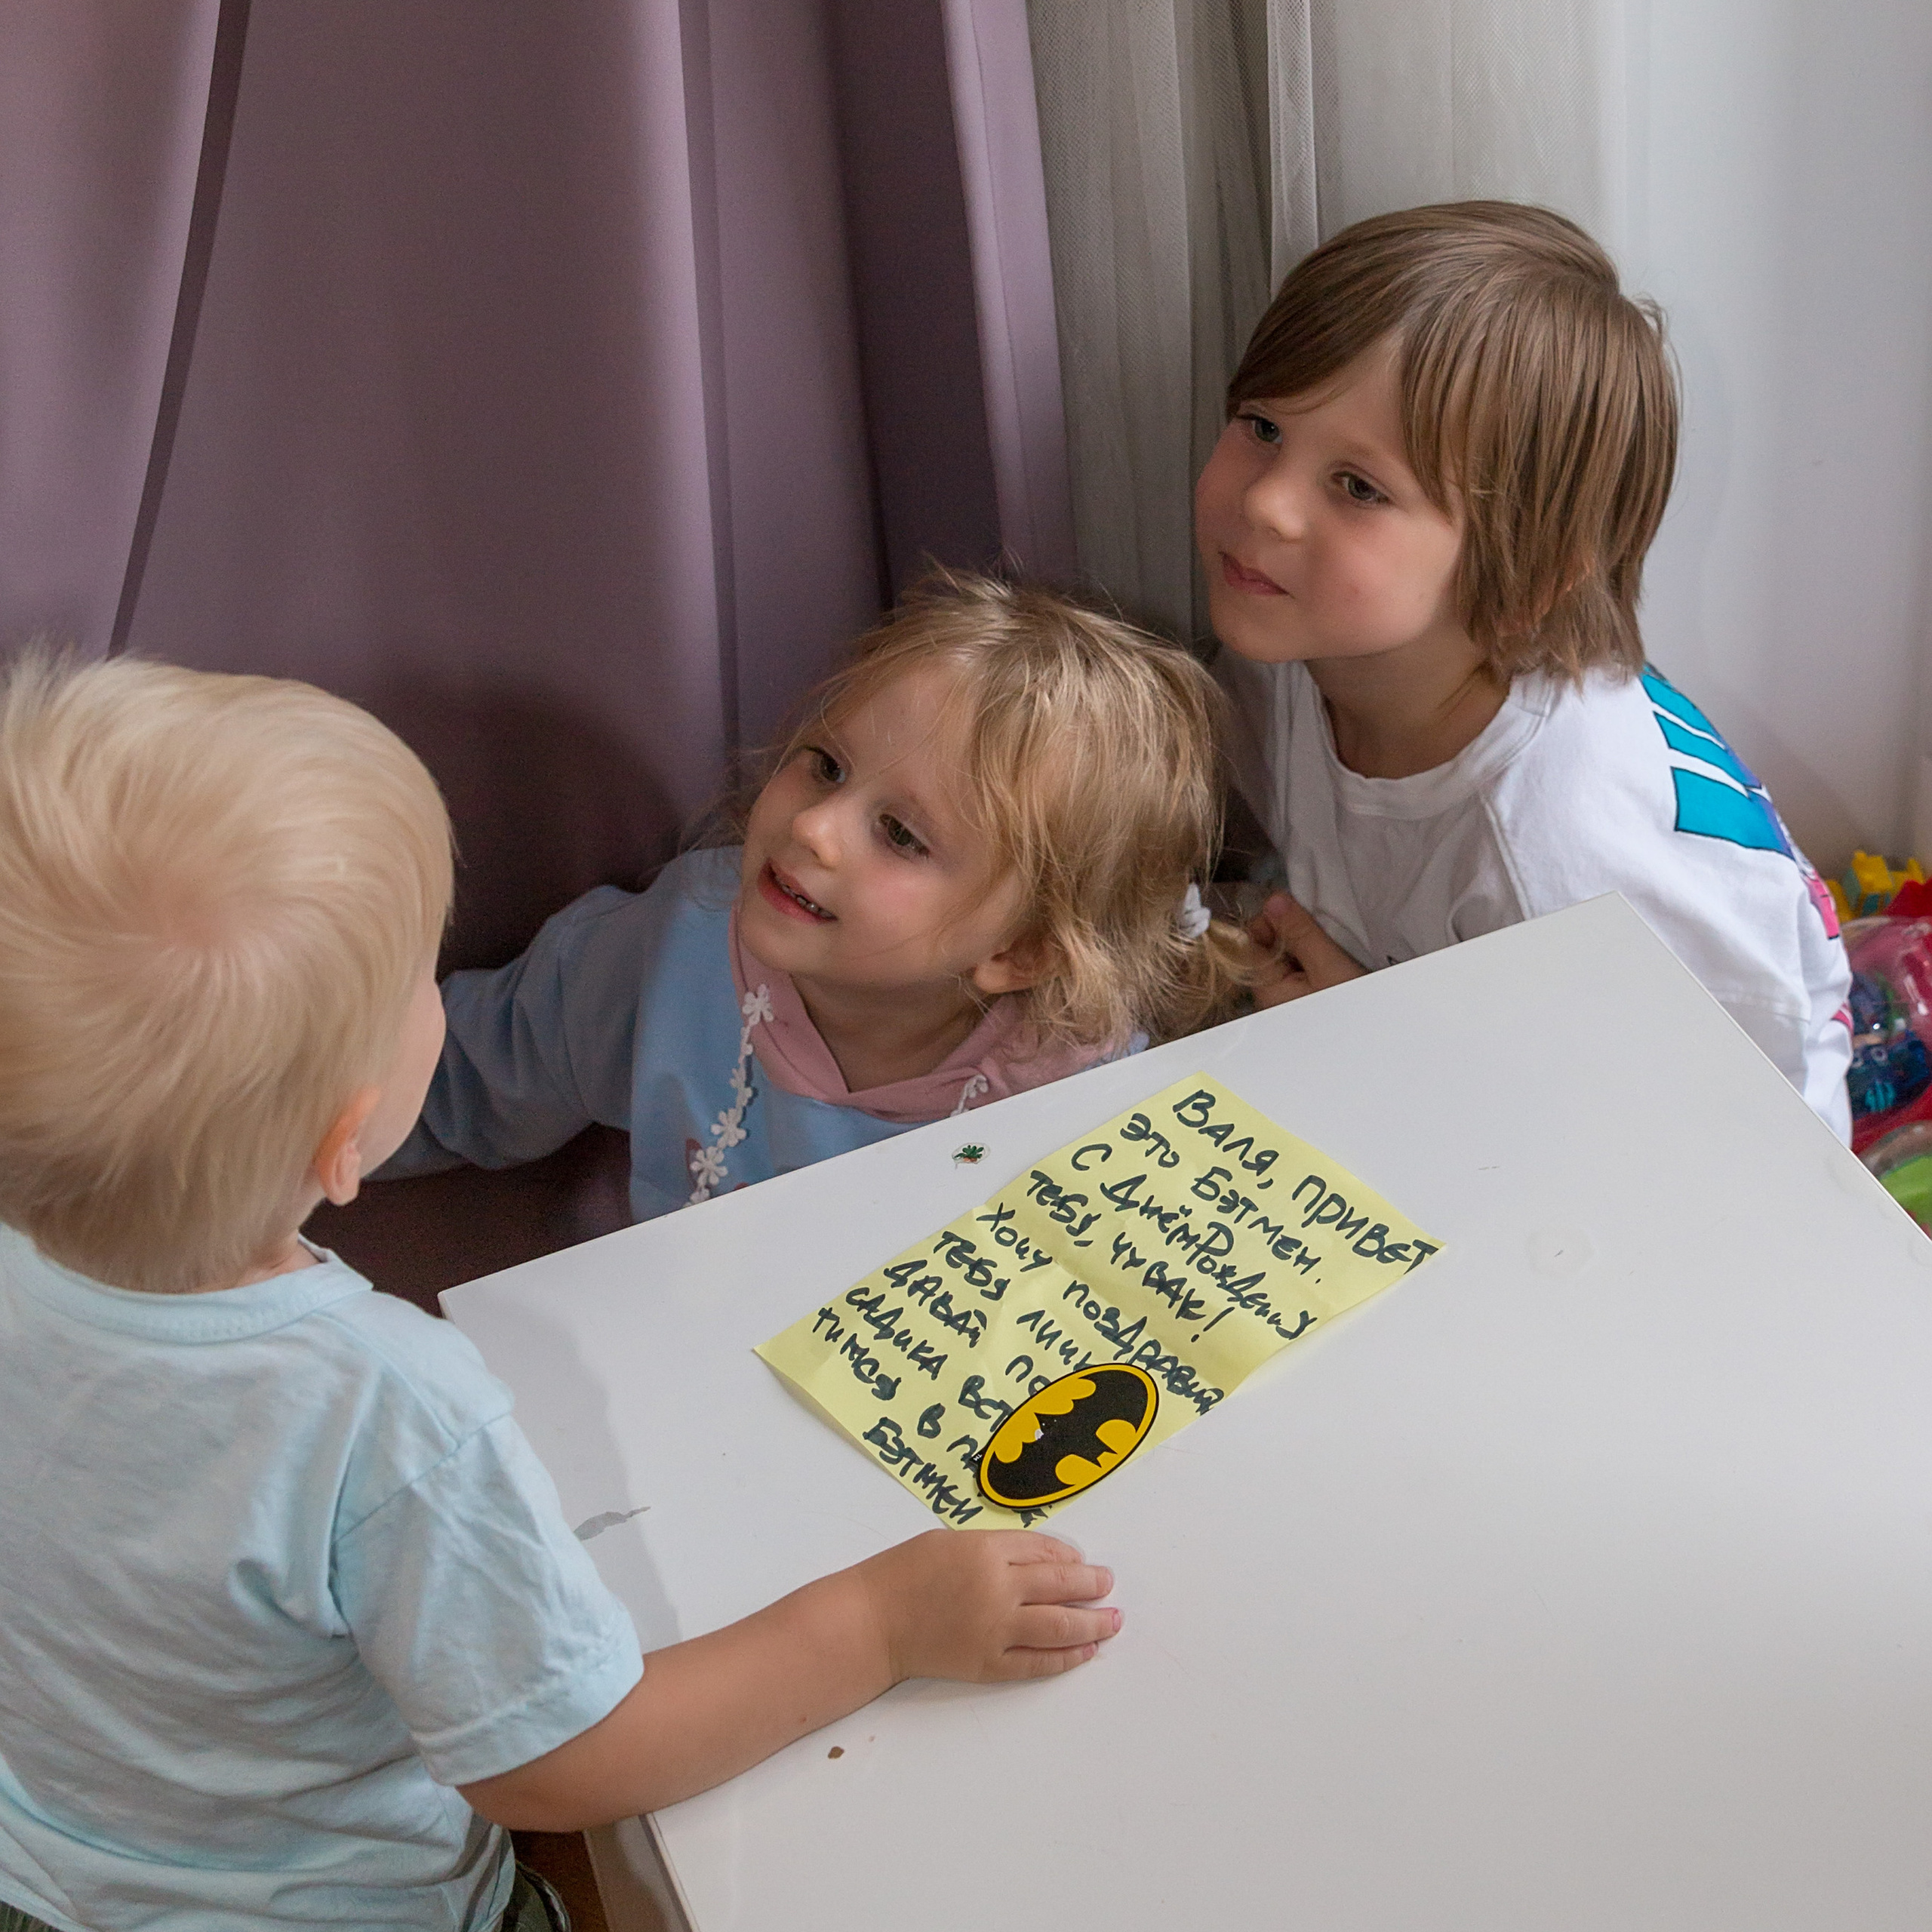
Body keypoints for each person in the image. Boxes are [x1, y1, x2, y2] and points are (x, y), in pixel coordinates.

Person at [0, 654, 1118, 1932]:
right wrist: (876, 1624)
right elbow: (557, 1764)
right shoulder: (386, 1413)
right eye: (419, 978)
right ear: (344, 1139)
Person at [1202, 201, 1853, 1137]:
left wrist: (1370, 1049)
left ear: (1524, 578)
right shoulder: (1290, 639)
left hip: (1714, 1149)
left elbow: (1667, 1143)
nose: (1266, 503)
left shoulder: (1555, 850)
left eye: (1358, 486)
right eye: (1261, 426)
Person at [386, 571, 1260, 1219]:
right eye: (827, 766)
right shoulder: (672, 944)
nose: (815, 827)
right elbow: (453, 1079)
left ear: (1019, 952)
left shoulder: (1081, 1090)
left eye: (901, 834)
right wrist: (273, 1139)